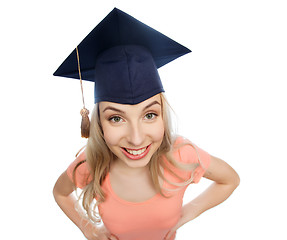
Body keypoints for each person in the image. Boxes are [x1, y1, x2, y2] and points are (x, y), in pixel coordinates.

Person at [53, 8, 240, 240]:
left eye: (149, 115)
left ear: (163, 114)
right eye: (116, 118)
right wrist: (89, 230)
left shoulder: (182, 156)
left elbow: (230, 179)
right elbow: (60, 193)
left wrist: (186, 214)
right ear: (98, 123)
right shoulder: (91, 165)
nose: (137, 138)